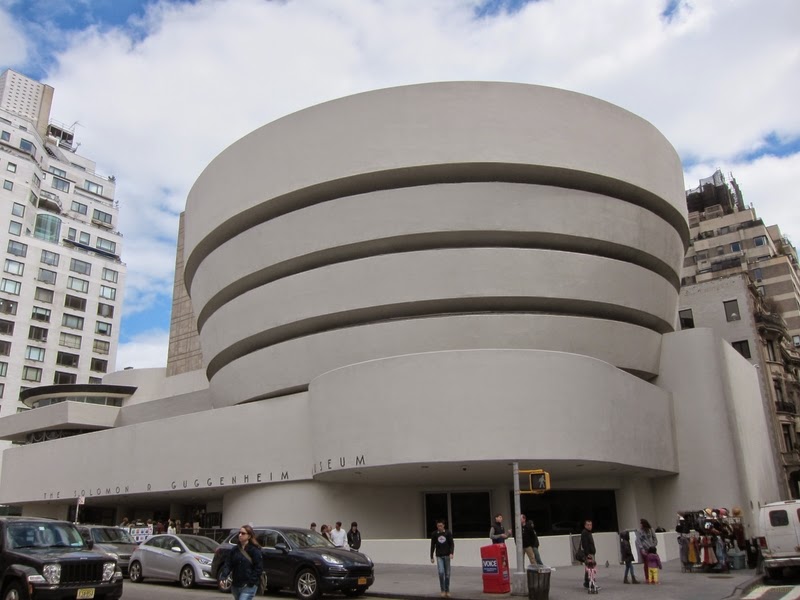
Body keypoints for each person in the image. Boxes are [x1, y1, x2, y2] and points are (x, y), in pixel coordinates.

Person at [219, 524, 264, 600]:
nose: (240, 535)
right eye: (239, 533)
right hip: (236, 585)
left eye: (243, 533)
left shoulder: (254, 551)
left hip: (249, 586)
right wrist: (223, 577)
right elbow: (228, 564)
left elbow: (258, 568)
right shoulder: (235, 550)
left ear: (249, 536)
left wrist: (251, 582)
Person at [430, 519, 454, 598]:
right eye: (438, 526)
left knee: (447, 574)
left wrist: (451, 553)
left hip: (447, 555)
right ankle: (442, 590)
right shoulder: (434, 534)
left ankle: (447, 590)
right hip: (439, 556)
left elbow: (451, 544)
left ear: (443, 525)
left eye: (441, 526)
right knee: (441, 572)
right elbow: (432, 545)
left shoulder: (448, 533)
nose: (439, 527)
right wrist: (431, 556)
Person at [635, 518, 658, 583]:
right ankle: (647, 578)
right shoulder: (639, 531)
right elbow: (638, 541)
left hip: (651, 549)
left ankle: (653, 577)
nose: (640, 525)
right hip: (644, 550)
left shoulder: (651, 530)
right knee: (646, 564)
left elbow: (655, 538)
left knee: (653, 564)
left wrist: (653, 545)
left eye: (641, 523)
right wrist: (642, 549)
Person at [580, 520, 597, 590]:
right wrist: (587, 554)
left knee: (589, 568)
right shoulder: (585, 533)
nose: (590, 526)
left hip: (591, 553)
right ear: (585, 525)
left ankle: (587, 582)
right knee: (590, 568)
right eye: (588, 525)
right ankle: (590, 582)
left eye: (590, 525)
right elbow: (585, 544)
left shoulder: (588, 532)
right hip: (589, 554)